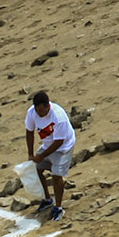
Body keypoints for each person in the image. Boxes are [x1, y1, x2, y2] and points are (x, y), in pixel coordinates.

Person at [23, 90, 76, 222]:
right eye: (37, 111)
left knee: (57, 175)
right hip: (48, 145)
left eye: (42, 110)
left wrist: (41, 156)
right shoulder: (32, 113)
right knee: (37, 168)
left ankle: (58, 207)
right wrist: (31, 154)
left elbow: (59, 141)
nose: (40, 114)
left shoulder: (58, 117)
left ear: (48, 106)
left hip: (63, 146)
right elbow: (29, 132)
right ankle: (47, 199)